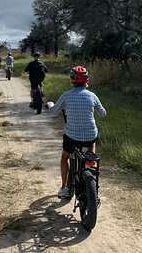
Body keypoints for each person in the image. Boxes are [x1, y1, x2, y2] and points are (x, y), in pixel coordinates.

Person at [45, 66, 106, 199]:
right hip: (90, 136)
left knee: (65, 157)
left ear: (72, 80)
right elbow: (103, 113)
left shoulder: (66, 95)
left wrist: (50, 104)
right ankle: (91, 161)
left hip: (71, 137)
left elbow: (53, 111)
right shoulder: (92, 96)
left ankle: (64, 188)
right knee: (92, 140)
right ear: (87, 80)